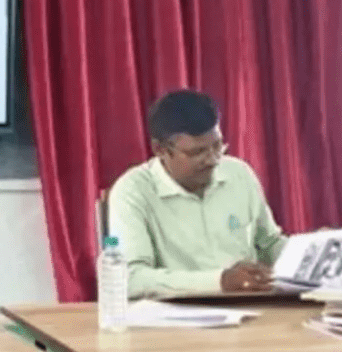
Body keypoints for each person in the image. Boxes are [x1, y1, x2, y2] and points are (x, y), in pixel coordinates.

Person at [108, 89, 286, 298]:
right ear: (160, 150)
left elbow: (269, 244)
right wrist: (220, 281)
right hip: (178, 313)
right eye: (196, 152)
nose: (212, 160)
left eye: (217, 146)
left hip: (252, 306)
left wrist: (309, 256)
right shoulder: (133, 191)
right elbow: (131, 278)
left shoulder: (238, 173)